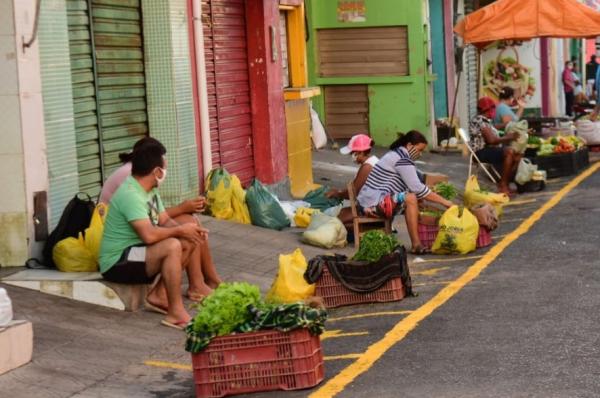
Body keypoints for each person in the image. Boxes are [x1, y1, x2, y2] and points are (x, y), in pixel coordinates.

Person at [99, 139, 219, 329]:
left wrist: (189, 232)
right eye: (165, 168)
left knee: (187, 239)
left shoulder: (150, 190)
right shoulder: (131, 194)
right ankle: (176, 312)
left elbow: (163, 220)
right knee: (172, 245)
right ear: (156, 172)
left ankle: (159, 294)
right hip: (118, 260)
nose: (166, 173)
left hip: (137, 251)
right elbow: (149, 236)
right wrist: (180, 230)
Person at [357, 130, 453, 254]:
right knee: (411, 198)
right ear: (409, 145)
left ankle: (419, 241)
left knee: (415, 199)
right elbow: (417, 188)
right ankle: (416, 244)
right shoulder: (402, 159)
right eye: (419, 150)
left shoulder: (398, 154)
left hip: (371, 200)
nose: (420, 154)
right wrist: (446, 203)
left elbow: (415, 184)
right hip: (372, 205)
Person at [469, 97, 521, 195]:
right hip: (481, 152)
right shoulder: (480, 121)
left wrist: (507, 124)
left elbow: (493, 128)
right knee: (509, 152)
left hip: (488, 150)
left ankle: (506, 182)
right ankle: (503, 184)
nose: (493, 111)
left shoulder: (484, 120)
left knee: (517, 155)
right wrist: (509, 137)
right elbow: (492, 140)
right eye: (492, 109)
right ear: (487, 110)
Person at [326, 134, 378, 228]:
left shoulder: (367, 167)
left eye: (352, 153)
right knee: (340, 217)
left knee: (335, 223)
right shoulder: (372, 161)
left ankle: (372, 227)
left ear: (361, 152)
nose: (351, 156)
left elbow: (352, 192)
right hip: (370, 205)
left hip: (372, 210)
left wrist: (337, 193)